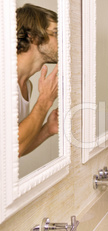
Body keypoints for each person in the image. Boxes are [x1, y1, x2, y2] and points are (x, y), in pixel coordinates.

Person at [16, 3, 59, 157]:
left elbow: (13, 149)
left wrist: (47, 129)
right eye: (56, 33)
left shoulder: (27, 85)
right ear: (32, 36)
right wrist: (45, 100)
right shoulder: (4, 82)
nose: (63, 41)